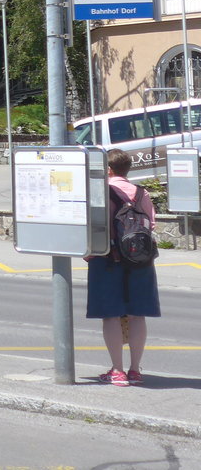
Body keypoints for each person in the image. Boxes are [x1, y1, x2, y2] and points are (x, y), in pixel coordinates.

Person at [86, 148, 160, 386]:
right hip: (140, 260)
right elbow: (151, 225)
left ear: (108, 169)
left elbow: (95, 226)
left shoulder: (101, 192)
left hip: (108, 259)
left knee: (111, 316)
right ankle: (135, 370)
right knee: (137, 315)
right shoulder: (141, 192)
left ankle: (117, 371)